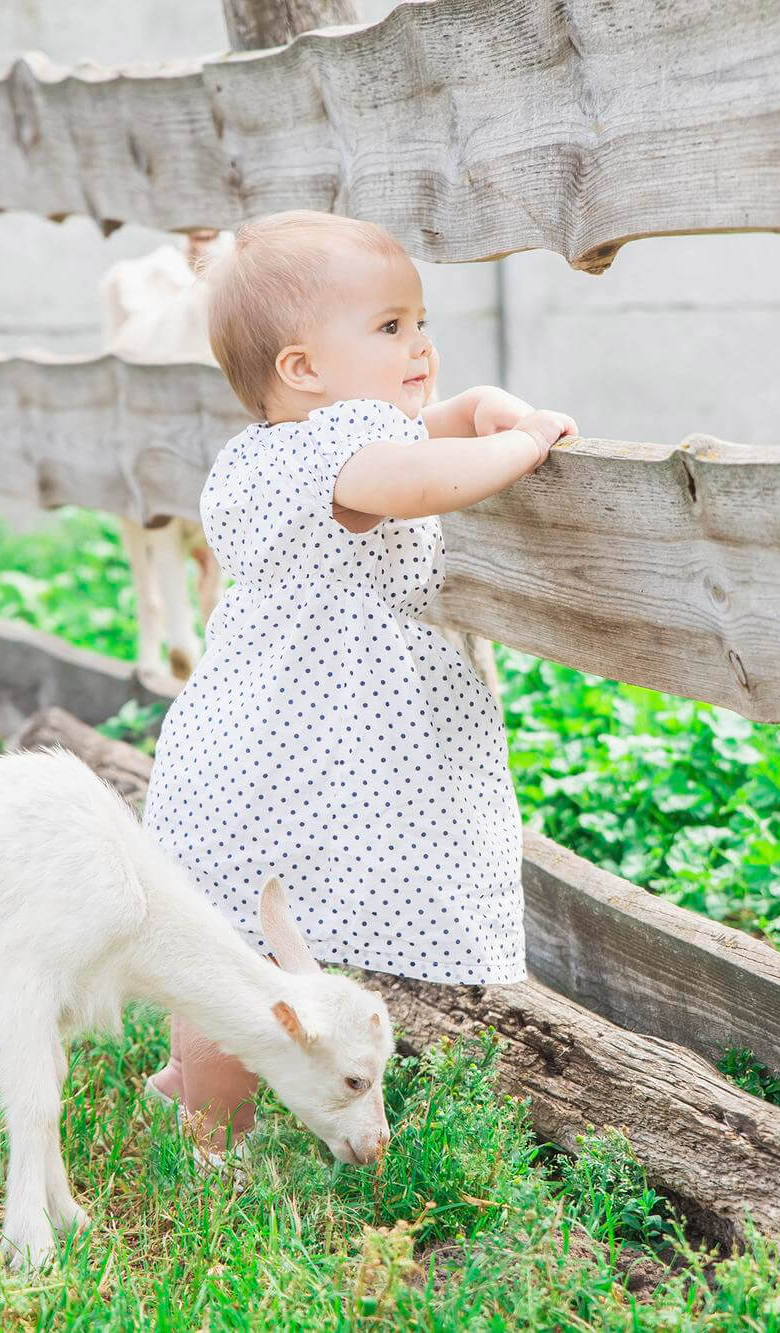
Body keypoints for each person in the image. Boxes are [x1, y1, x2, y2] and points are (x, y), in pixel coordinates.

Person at [139, 209, 577, 1160]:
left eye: (419, 321)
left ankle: (197, 1087)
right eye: (389, 329)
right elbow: (421, 478)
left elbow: (418, 436)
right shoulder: (337, 457)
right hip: (299, 756)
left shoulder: (278, 447)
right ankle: (209, 1123)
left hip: (261, 752)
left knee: (234, 944)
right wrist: (521, 443)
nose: (420, 344)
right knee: (239, 958)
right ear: (303, 368)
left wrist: (476, 407)